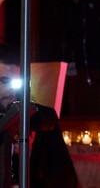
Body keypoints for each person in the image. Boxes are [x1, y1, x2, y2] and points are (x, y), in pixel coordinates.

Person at [0, 44, 78, 188]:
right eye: (4, 81)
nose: (12, 89)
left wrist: (31, 156)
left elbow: (65, 179)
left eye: (17, 82)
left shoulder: (38, 119)